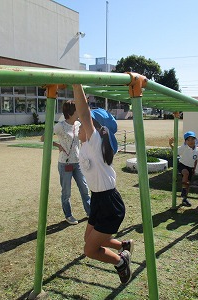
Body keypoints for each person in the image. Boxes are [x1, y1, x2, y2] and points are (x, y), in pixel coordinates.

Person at [72, 84, 133, 284]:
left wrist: (75, 83)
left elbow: (83, 111)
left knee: (90, 249)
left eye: (83, 124)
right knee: (89, 239)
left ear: (94, 128)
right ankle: (124, 245)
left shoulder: (95, 142)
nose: (79, 126)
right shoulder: (87, 146)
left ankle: (121, 261)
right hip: (98, 198)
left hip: (109, 203)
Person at [41, 100, 91, 225]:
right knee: (66, 191)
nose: (79, 111)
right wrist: (57, 145)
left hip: (78, 163)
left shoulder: (79, 124)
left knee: (84, 188)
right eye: (77, 109)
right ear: (71, 112)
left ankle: (90, 212)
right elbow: (44, 138)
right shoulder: (60, 126)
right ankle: (68, 215)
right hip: (65, 164)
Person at [169, 131, 198, 207]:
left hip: (190, 167)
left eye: (192, 139)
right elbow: (175, 151)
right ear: (186, 141)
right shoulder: (184, 147)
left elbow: (196, 159)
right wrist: (170, 144)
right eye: (188, 140)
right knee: (185, 173)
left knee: (188, 183)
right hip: (182, 165)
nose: (191, 141)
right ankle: (183, 190)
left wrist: (194, 169)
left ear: (195, 140)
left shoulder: (197, 149)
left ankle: (184, 199)